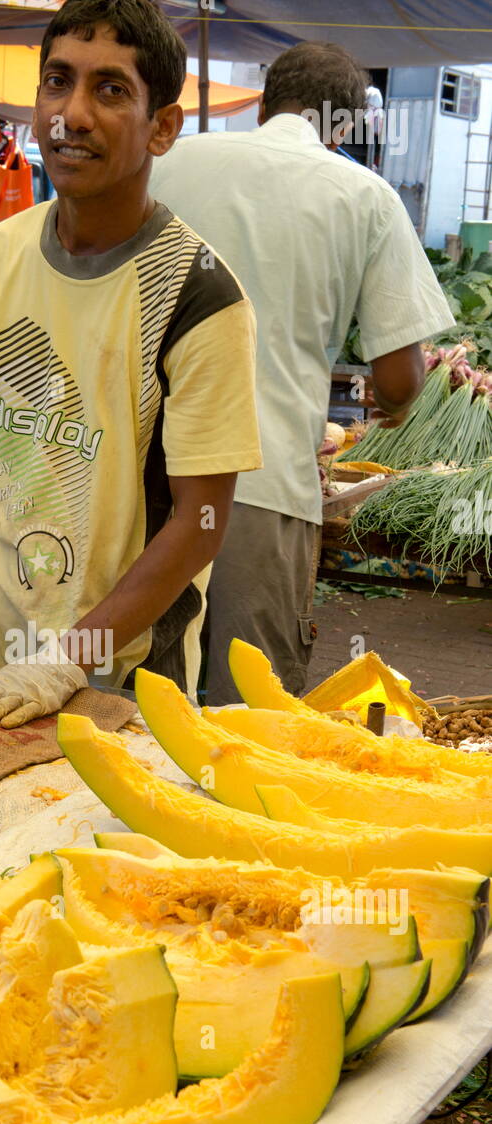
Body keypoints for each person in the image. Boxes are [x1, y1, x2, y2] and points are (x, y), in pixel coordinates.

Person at [0, 0, 262, 727]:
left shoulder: (198, 294)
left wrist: (69, 657)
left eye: (110, 90)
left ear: (162, 127)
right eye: (57, 83)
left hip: (123, 680)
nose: (72, 114)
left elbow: (202, 518)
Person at [149, 42, 455, 704]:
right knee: (244, 712)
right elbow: (398, 383)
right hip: (257, 484)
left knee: (130, 691)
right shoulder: (365, 196)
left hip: (139, 469)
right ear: (343, 127)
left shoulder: (169, 158)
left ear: (262, 104)